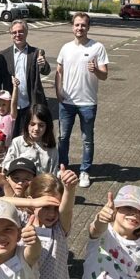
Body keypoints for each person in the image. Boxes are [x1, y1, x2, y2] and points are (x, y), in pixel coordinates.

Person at [54, 13, 109, 188]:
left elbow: (105, 75)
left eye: (83, 25)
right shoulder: (65, 48)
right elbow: (59, 70)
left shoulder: (97, 47)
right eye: (77, 25)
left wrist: (95, 71)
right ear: (72, 27)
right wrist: (58, 91)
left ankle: (84, 171)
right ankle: (63, 167)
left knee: (87, 138)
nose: (80, 28)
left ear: (88, 27)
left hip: (87, 102)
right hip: (67, 102)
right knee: (63, 137)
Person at [0, 20, 50, 136]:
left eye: (21, 32)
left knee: (28, 137)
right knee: (8, 136)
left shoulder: (36, 53)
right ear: (11, 34)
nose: (17, 35)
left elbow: (46, 70)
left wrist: (43, 64)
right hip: (10, 105)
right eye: (14, 32)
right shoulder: (3, 54)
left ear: (26, 33)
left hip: (29, 104)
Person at [2, 103, 59, 176]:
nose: (36, 129)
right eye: (32, 124)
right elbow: (6, 166)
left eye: (41, 125)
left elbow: (53, 175)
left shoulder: (52, 149)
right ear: (27, 124)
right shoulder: (17, 142)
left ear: (47, 127)